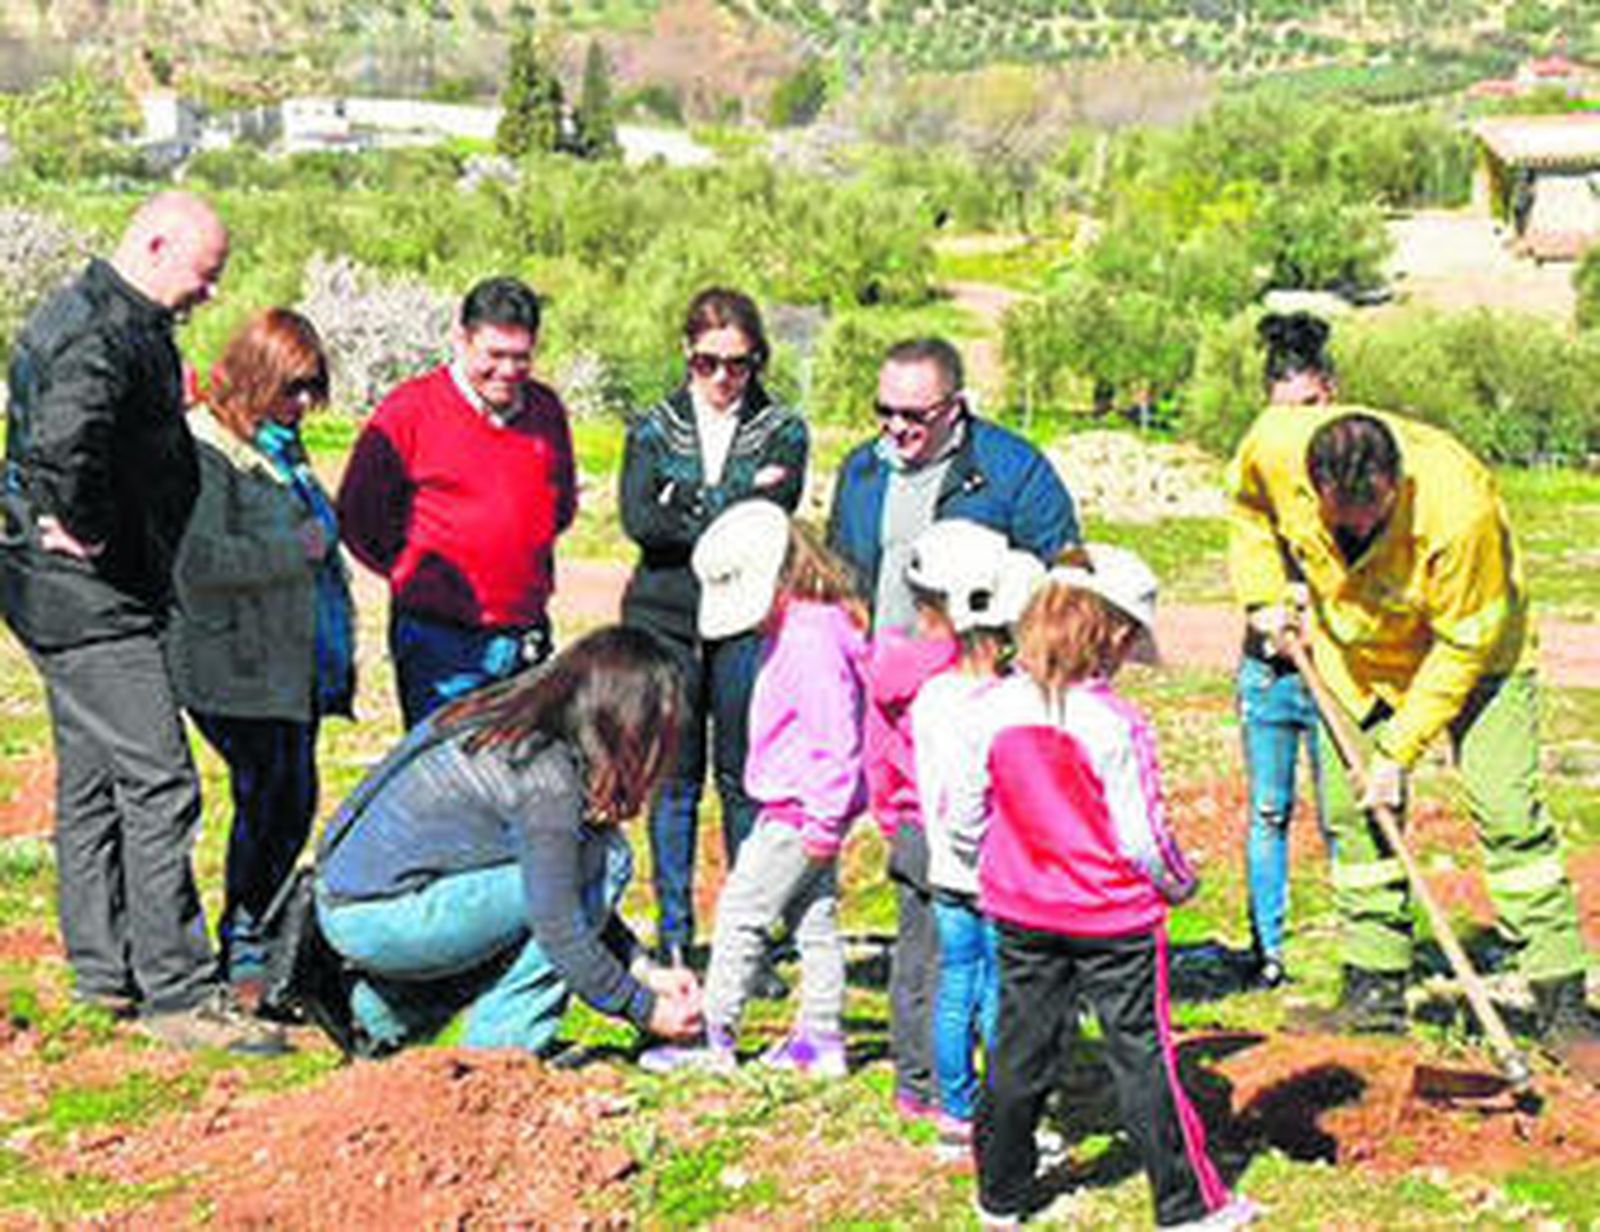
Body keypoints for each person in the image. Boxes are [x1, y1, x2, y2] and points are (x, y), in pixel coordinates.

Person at [1228, 407, 1598, 1067]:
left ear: (1398, 483)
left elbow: (1463, 643)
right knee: (1355, 820)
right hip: (1358, 660)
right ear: (1314, 489)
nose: (1358, 531)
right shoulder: (1277, 445)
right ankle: (1373, 996)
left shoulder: (1460, 505)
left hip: (1481, 657)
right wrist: (1262, 596)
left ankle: (1562, 1008)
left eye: (1374, 516)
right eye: (1343, 519)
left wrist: (1400, 751)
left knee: (1510, 816)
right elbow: (1248, 508)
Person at [0, 191, 279, 1052]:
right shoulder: (100, 332)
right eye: (203, 276)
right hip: (87, 598)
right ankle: (179, 993)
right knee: (161, 781)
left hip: (71, 590)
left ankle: (103, 969)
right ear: (156, 244)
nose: (208, 294)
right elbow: (58, 444)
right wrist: (78, 523)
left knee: (94, 777)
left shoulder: (107, 315)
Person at [971, 548, 1249, 1231]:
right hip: (1112, 919)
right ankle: (1187, 1205)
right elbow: (1141, 836)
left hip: (1022, 908)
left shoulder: (993, 708)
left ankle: (1000, 1195)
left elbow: (962, 808)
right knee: (1141, 1053)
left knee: (1018, 1048)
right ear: (1114, 637)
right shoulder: (1117, 724)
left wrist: (988, 868)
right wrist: (1179, 884)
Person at [313, 625, 702, 1056]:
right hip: (378, 917)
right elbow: (562, 926)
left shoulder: (508, 718)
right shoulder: (546, 778)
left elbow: (557, 889)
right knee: (604, 859)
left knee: (579, 868)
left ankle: (381, 1013)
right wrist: (645, 1009)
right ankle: (500, 1055)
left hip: (352, 904)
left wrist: (645, 971)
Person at [165, 308, 355, 994]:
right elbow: (197, 560)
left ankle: (266, 934)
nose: (305, 403)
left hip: (290, 662)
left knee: (293, 798)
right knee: (269, 795)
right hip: (235, 663)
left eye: (313, 388)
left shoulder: (281, 442)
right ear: (257, 375)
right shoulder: (208, 446)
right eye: (294, 387)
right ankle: (244, 943)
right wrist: (293, 551)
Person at [642, 502, 869, 1077]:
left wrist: (822, 818)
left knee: (742, 912)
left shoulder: (807, 642)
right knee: (813, 920)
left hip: (800, 808)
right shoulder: (812, 625)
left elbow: (834, 733)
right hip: (807, 805)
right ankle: (822, 1037)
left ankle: (712, 1034)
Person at [619, 287, 808, 971]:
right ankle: (674, 939)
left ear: (757, 359)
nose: (724, 378)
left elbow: (769, 518)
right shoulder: (652, 425)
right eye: (709, 362)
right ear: (687, 355)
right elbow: (640, 520)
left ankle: (744, 940)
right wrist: (729, 501)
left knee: (742, 778)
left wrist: (686, 501)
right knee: (672, 781)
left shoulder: (783, 427)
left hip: (746, 621)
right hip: (664, 621)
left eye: (738, 364)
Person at [337, 276, 577, 728]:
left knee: (522, 778)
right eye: (495, 355)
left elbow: (559, 505)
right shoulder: (410, 410)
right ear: (463, 340)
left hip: (525, 632)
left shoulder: (545, 411)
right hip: (440, 640)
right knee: (446, 782)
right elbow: (358, 514)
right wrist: (413, 571)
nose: (508, 370)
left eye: (520, 357)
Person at [907, 520, 1042, 1159]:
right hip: (990, 873)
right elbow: (971, 795)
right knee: (999, 990)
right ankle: (998, 1110)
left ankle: (955, 1109)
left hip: (946, 874)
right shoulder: (1004, 700)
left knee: (958, 983)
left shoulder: (933, 695)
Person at [826, 335, 1078, 636]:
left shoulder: (1017, 470)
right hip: (875, 668)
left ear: (954, 407)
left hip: (973, 674)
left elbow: (1063, 578)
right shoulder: (860, 469)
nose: (896, 427)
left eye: (914, 415)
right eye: (885, 411)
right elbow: (837, 572)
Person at [1235, 312, 1335, 989]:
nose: (1290, 429)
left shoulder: (1357, 454)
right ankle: (1267, 950)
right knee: (1270, 808)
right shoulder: (1255, 457)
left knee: (1345, 815)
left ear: (1329, 391)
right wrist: (1267, 608)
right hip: (1269, 669)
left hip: (1337, 671)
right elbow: (1245, 547)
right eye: (1281, 412)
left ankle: (1360, 953)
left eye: (1305, 408)